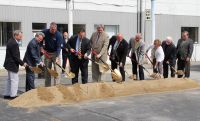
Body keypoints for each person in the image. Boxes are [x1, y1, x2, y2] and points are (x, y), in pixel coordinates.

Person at [3, 30, 27, 99]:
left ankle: (7, 94)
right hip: (12, 64)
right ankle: (13, 95)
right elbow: (16, 57)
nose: (21, 38)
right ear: (15, 35)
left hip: (8, 64)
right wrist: (23, 63)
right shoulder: (14, 43)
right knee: (14, 80)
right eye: (20, 36)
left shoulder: (10, 40)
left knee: (9, 80)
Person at [42, 22, 62, 86]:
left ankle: (57, 86)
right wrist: (41, 47)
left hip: (56, 53)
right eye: (52, 29)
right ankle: (47, 87)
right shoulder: (45, 32)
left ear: (56, 28)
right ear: (49, 28)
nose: (53, 31)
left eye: (54, 29)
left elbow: (59, 47)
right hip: (47, 53)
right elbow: (38, 36)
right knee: (48, 71)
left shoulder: (59, 35)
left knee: (57, 71)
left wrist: (57, 57)